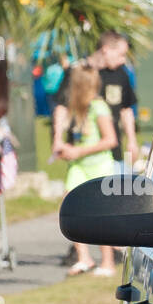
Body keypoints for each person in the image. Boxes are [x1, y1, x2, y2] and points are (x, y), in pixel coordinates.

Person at [52, 62, 118, 275]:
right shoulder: (74, 108)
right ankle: (84, 258)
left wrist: (78, 152)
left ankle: (107, 262)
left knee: (102, 213)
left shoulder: (98, 107)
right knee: (69, 204)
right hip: (78, 166)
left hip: (99, 165)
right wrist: (63, 148)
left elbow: (110, 140)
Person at [51, 33, 139, 166]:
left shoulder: (121, 74)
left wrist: (132, 141)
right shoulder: (77, 72)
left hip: (112, 155)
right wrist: (57, 139)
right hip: (79, 155)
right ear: (105, 50)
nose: (123, 60)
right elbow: (62, 107)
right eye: (121, 54)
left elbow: (126, 109)